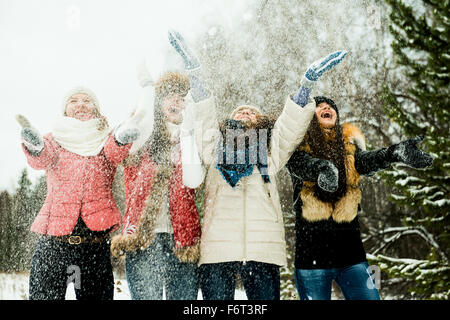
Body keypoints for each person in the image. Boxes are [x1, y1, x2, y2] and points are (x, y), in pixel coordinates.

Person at [168, 30, 347, 300]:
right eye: (240, 111)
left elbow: (289, 128)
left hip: (263, 245)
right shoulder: (215, 146)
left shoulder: (269, 148)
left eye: (252, 111)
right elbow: (204, 118)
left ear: (261, 119)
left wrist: (306, 85)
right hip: (218, 245)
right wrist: (194, 72)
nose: (246, 113)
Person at [286, 95, 434, 300]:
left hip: (352, 255)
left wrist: (393, 154)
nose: (326, 108)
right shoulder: (296, 146)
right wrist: (321, 168)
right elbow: (300, 164)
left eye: (330, 106)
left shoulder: (348, 146)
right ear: (310, 116)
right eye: (319, 107)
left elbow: (366, 161)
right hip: (311, 259)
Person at [17, 87, 141, 300]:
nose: (81, 105)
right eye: (73, 101)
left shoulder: (105, 139)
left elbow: (114, 152)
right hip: (53, 246)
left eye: (87, 101)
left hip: (93, 247)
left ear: (96, 109)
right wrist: (35, 146)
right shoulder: (54, 139)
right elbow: (42, 158)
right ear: (65, 110)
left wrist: (121, 137)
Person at [110, 63, 204, 300]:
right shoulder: (143, 132)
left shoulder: (196, 137)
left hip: (183, 239)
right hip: (143, 237)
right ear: (158, 103)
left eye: (182, 98)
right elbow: (118, 149)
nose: (176, 102)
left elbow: (194, 180)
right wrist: (148, 89)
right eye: (169, 96)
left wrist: (188, 133)